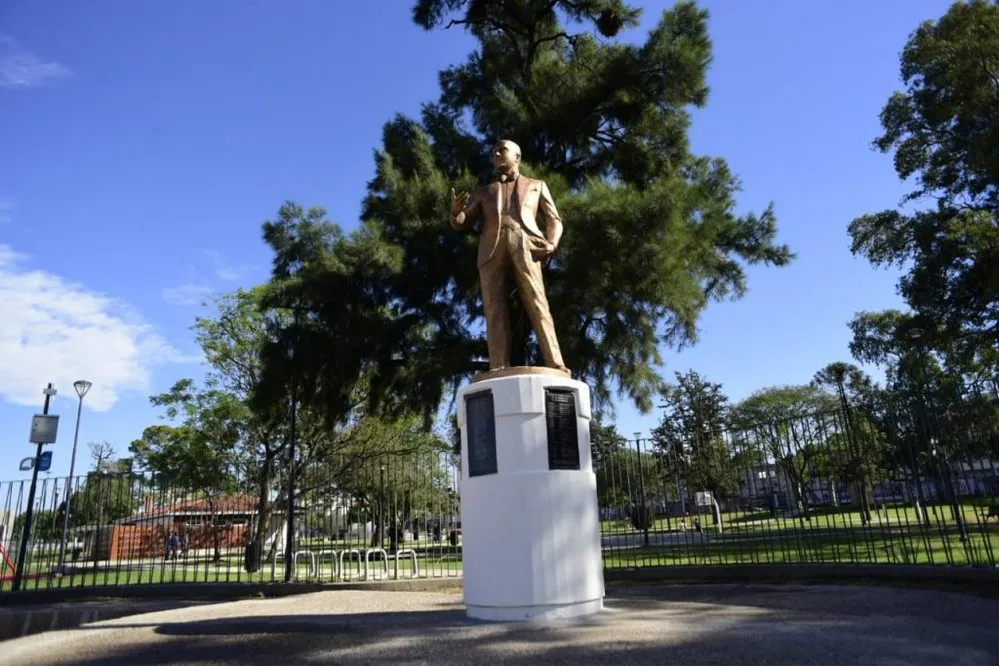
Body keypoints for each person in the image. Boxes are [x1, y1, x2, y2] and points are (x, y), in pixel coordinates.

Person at [450, 140, 568, 373]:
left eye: (501, 150)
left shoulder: (537, 185)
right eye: (494, 152)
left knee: (537, 302)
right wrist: (455, 214)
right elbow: (462, 221)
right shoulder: (484, 191)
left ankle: (556, 362)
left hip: (526, 245)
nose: (496, 154)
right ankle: (498, 365)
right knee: (494, 308)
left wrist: (552, 242)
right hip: (491, 249)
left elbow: (554, 219)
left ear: (518, 156)